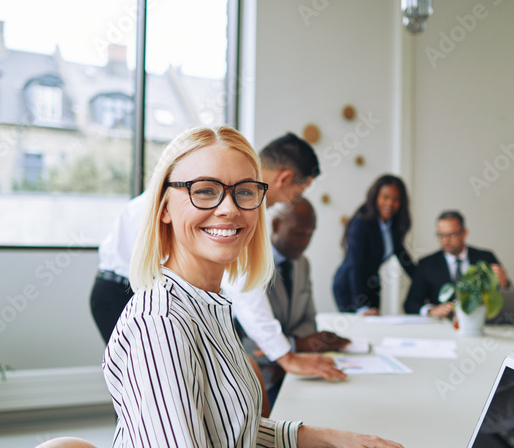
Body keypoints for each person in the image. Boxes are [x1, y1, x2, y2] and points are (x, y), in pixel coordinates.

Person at [87, 126, 485, 448]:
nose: (229, 208)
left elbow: (221, 427)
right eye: (204, 191)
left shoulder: (205, 304)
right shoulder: (160, 326)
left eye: (244, 193)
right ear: (163, 209)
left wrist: (329, 438)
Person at [90, 133, 345, 383]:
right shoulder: (155, 315)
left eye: (244, 192)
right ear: (285, 178)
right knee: (144, 385)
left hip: (160, 290)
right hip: (121, 290)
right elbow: (244, 289)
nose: (227, 208)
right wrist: (285, 356)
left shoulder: (242, 207)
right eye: (300, 190)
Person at [241, 196, 350, 408]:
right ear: (276, 225)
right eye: (298, 233)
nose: (304, 242)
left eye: (310, 235)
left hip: (297, 371)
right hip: (258, 378)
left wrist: (294, 350)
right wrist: (293, 347)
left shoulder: (303, 264)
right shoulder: (250, 264)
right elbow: (245, 337)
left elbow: (309, 321)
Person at [332, 174, 416, 314]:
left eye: (396, 199)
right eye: (386, 197)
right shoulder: (361, 224)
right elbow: (355, 266)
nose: (390, 204)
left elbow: (403, 257)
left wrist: (424, 281)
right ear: (375, 197)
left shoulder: (392, 226)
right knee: (358, 329)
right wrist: (361, 306)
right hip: (350, 286)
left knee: (374, 327)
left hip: (372, 285)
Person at [404, 210, 510, 317]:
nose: (445, 240)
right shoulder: (426, 264)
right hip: (442, 325)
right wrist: (430, 311)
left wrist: (504, 283)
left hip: (479, 319)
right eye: (441, 235)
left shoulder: (485, 258)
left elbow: (508, 297)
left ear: (464, 233)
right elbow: (410, 304)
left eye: (451, 235)